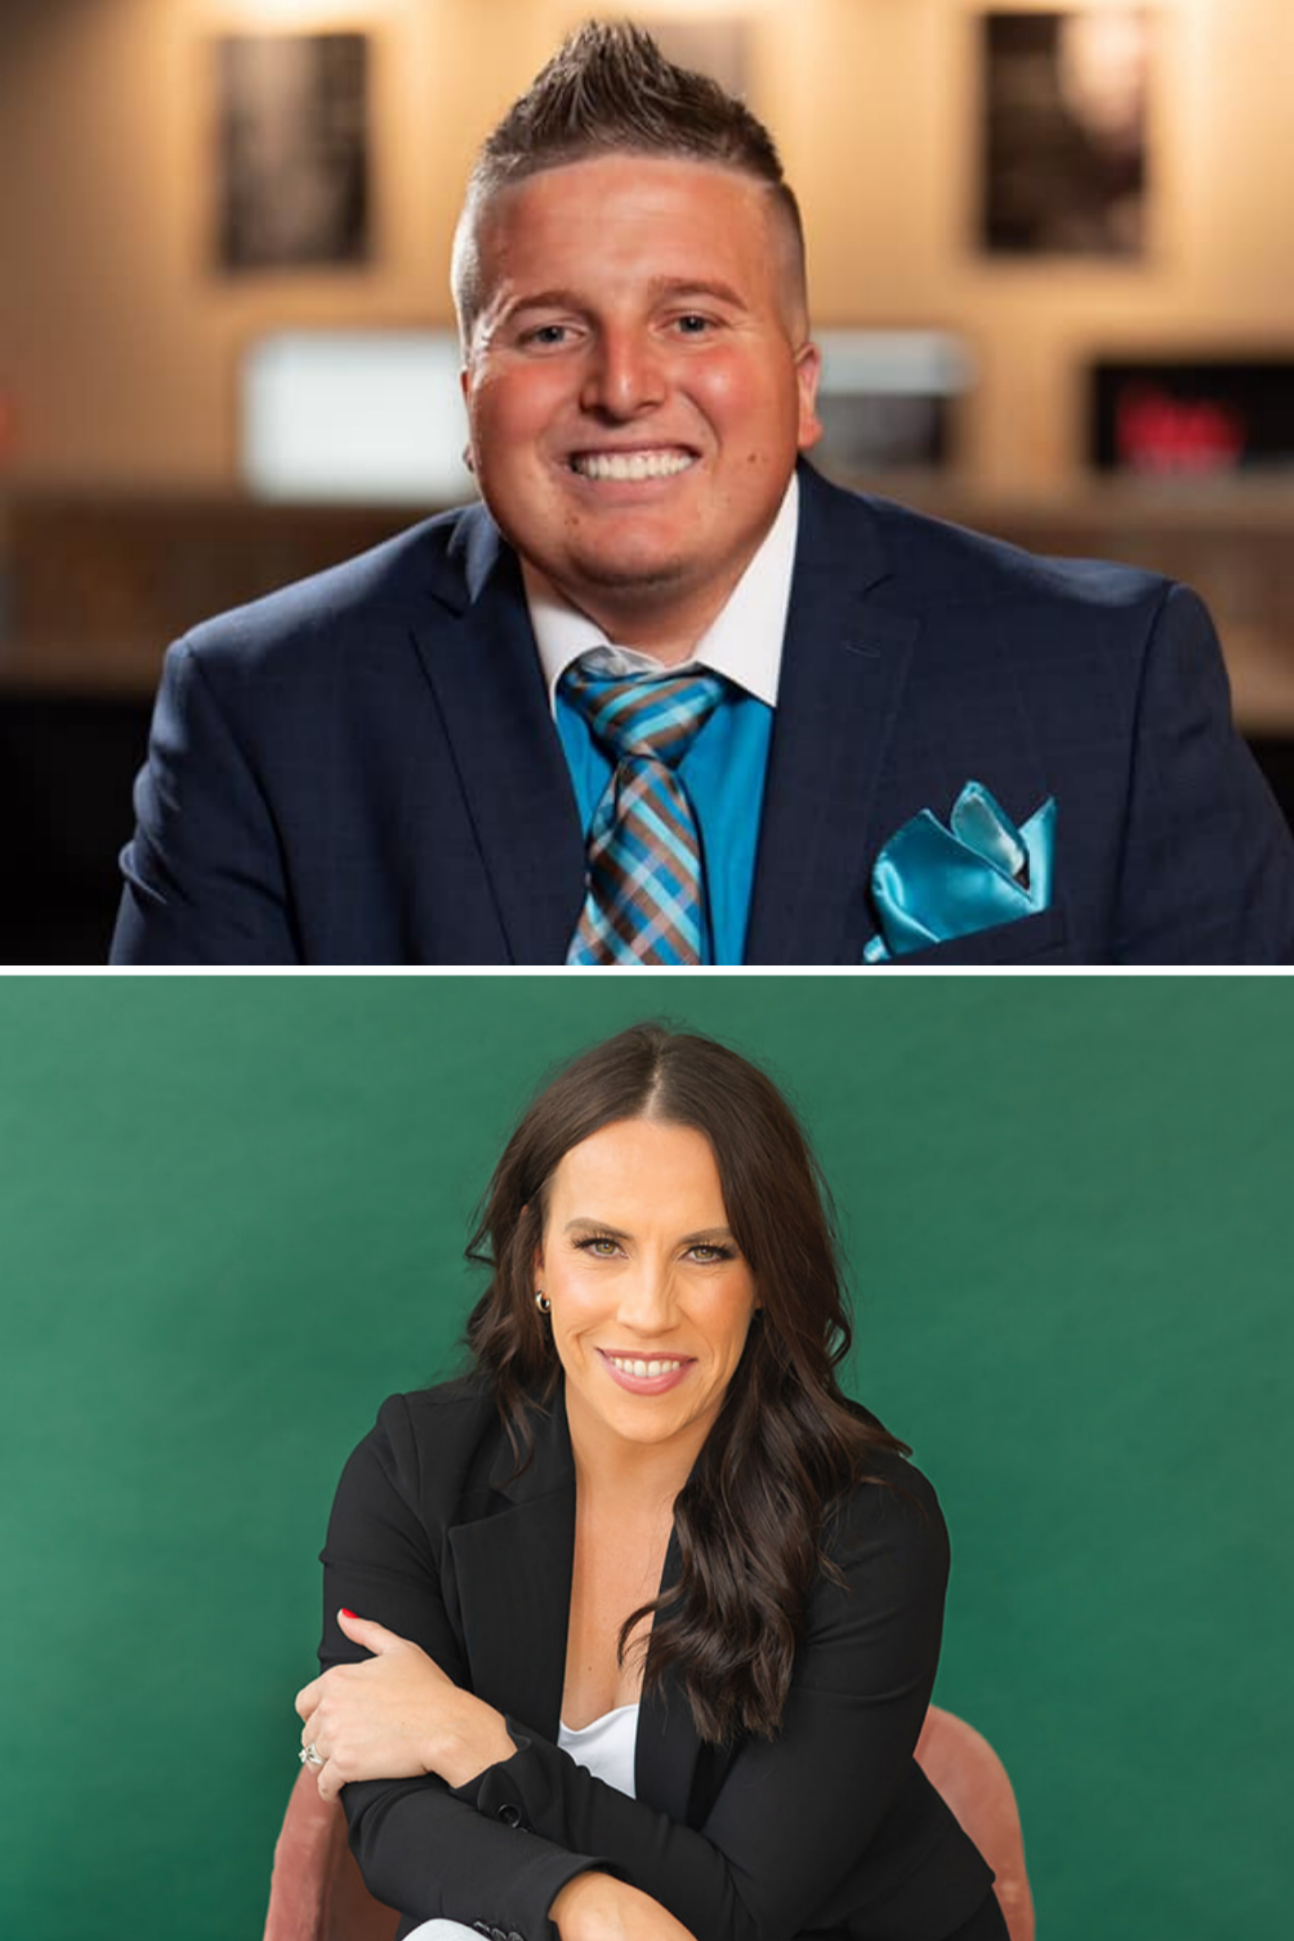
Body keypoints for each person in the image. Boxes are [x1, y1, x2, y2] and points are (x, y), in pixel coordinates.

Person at [111, 23, 1294, 964]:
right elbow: (184, 1184)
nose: (624, 386)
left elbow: (1235, 1153)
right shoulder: (260, 712)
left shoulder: (1107, 680)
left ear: (802, 383)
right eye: (550, 329)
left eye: (691, 319)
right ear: (470, 399)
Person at [292, 1023, 1007, 1941]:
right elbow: (394, 1820)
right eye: (602, 1245)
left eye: (705, 1251)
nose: (649, 1310)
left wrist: (472, 1740)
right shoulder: (418, 1467)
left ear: (763, 1275)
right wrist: (582, 1905)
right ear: (535, 1256)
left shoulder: (868, 1525)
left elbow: (746, 1910)